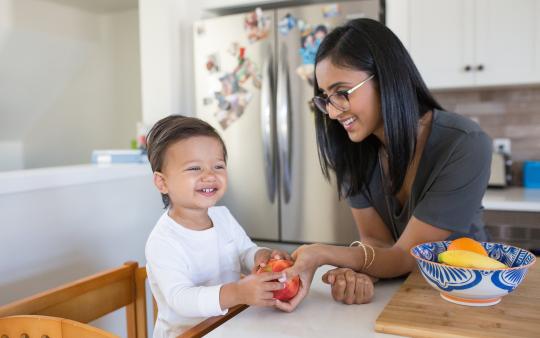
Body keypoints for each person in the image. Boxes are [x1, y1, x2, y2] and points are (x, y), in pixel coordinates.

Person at [275, 18, 492, 312]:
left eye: (342, 92)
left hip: (466, 298)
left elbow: (406, 255)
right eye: (326, 98)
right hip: (396, 300)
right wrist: (360, 272)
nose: (333, 112)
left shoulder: (465, 143)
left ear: (386, 78)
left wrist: (323, 253)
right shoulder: (351, 150)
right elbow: (376, 242)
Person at [145, 115, 290, 337]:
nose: (210, 175)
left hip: (229, 326)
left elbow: (244, 252)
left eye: (218, 166)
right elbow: (181, 299)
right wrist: (238, 292)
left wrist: (261, 256)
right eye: (194, 168)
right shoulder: (163, 241)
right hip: (189, 334)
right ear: (162, 182)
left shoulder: (222, 216)